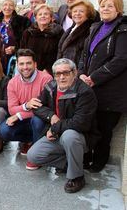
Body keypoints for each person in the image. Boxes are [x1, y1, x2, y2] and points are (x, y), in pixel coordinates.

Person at [28, 58, 98, 193]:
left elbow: (80, 123)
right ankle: (71, 163)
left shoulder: (84, 92)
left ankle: (77, 177)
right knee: (33, 155)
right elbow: (37, 106)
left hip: (81, 136)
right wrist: (51, 116)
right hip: (59, 133)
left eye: (66, 73)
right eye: (58, 74)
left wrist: (54, 128)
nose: (61, 77)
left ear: (74, 73)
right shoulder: (50, 87)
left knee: (69, 135)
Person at [78, 0, 127, 173]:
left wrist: (94, 77)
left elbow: (121, 59)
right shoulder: (96, 27)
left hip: (111, 91)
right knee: (89, 124)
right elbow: (85, 55)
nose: (105, 9)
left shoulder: (123, 30)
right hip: (90, 87)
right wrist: (82, 73)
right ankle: (86, 156)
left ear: (118, 10)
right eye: (103, 5)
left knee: (104, 129)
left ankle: (99, 160)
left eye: (110, 6)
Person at [0, 49, 52, 170]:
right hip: (25, 120)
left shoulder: (46, 79)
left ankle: (37, 155)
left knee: (37, 120)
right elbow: (12, 109)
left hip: (42, 120)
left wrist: (19, 115)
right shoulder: (13, 82)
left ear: (35, 64)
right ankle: (29, 141)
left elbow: (45, 108)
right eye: (21, 64)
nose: (25, 67)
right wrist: (26, 106)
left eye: (28, 63)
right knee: (4, 130)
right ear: (17, 65)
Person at [0, 0, 31, 73]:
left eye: (11, 5)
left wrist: (15, 49)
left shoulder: (23, 21)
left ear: (14, 6)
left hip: (13, 60)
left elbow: (27, 42)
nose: (7, 8)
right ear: (1, 6)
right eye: (5, 4)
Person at [20, 4, 64, 74]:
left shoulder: (58, 32)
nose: (43, 16)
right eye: (40, 14)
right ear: (36, 17)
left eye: (46, 14)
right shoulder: (28, 32)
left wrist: (48, 69)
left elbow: (60, 53)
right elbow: (22, 51)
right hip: (29, 70)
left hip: (50, 71)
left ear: (51, 17)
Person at [57, 0, 96, 64]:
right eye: (75, 11)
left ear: (88, 14)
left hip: (76, 70)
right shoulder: (70, 29)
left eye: (81, 11)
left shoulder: (90, 30)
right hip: (64, 68)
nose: (77, 13)